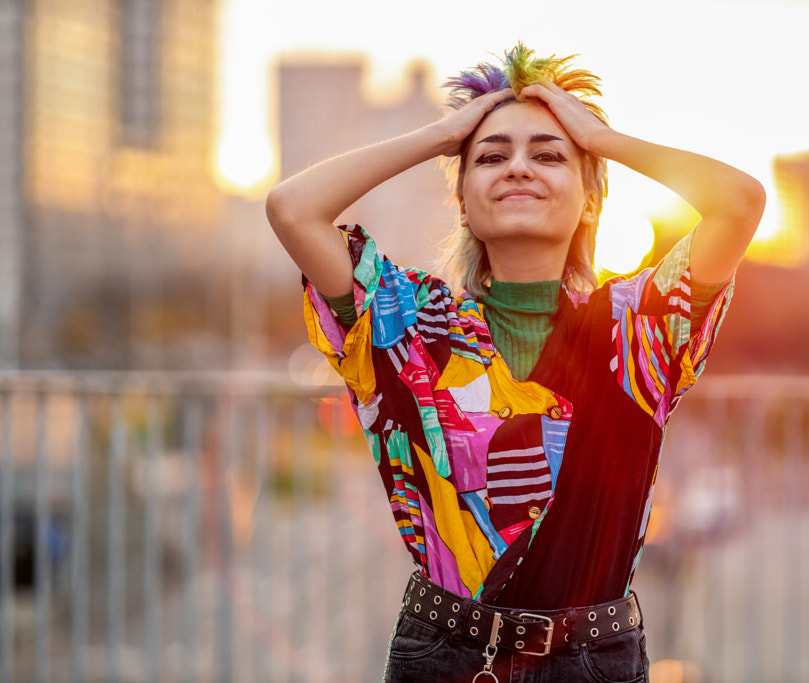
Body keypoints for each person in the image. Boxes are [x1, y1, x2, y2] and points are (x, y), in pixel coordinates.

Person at [266, 43, 765, 683]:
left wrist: (597, 137)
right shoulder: (407, 324)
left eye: (550, 155)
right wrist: (446, 132)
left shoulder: (639, 327)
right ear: (466, 204)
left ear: (591, 201)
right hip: (445, 655)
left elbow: (739, 201)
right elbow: (292, 208)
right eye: (492, 157)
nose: (519, 168)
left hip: (593, 661)